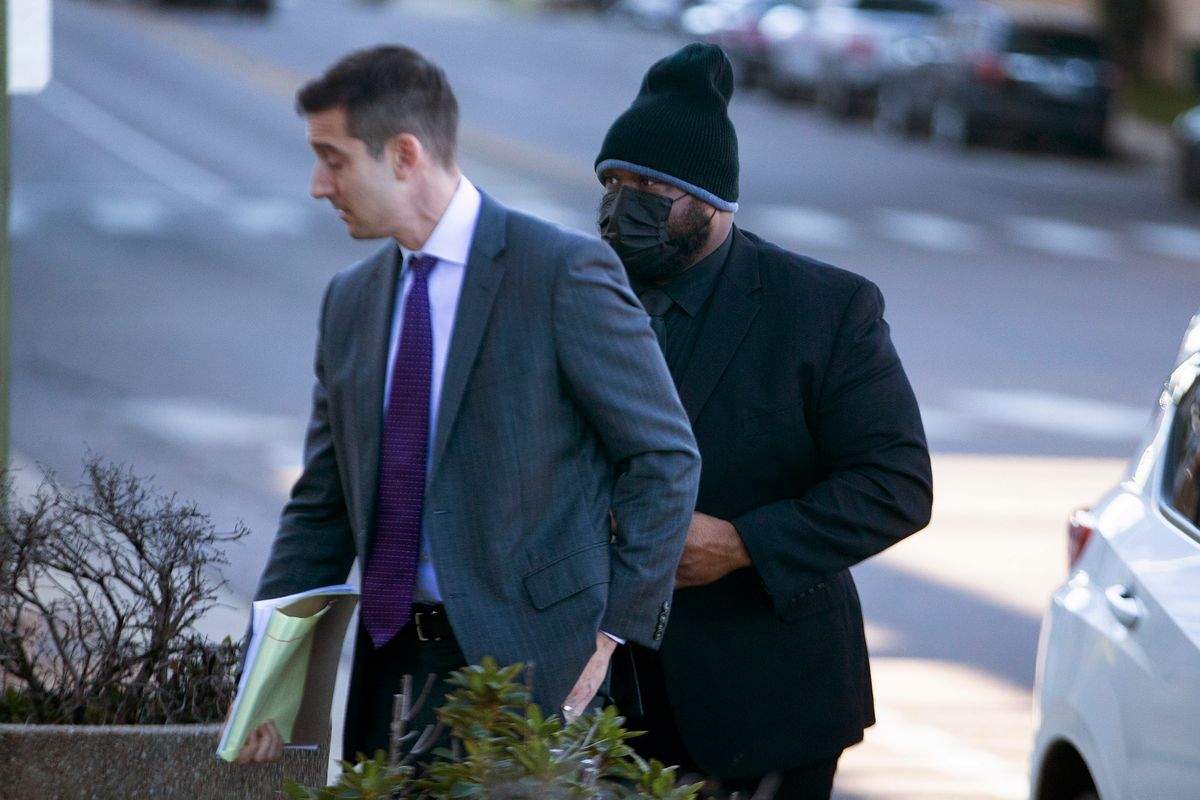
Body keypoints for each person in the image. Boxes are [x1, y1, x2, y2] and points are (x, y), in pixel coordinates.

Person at [230, 44, 701, 764]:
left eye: (334, 159)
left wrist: (613, 635)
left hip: (535, 670)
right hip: (389, 671)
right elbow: (323, 503)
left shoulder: (561, 273)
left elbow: (663, 456)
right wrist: (268, 678)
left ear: (406, 155)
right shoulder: (351, 300)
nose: (319, 186)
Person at [594, 43, 934, 798]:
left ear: (711, 201)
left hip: (767, 702)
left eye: (651, 185)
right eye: (613, 181)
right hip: (603, 702)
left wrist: (744, 543)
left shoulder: (824, 310)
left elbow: (897, 484)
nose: (623, 204)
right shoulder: (579, 293)